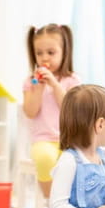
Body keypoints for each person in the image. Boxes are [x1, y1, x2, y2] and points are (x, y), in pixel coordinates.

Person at [23, 23, 81, 199]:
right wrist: (38, 89)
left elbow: (70, 108)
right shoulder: (31, 82)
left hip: (70, 140)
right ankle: (52, 202)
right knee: (45, 158)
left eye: (51, 52)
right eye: (39, 53)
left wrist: (54, 85)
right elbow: (30, 112)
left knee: (74, 163)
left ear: (64, 52)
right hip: (43, 141)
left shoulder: (72, 80)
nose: (44, 58)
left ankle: (71, 202)